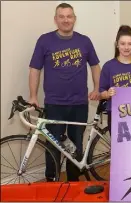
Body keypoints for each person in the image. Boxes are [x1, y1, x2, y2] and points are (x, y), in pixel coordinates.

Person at [28, 3, 101, 182]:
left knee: (76, 145)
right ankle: (51, 181)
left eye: (69, 16)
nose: (66, 20)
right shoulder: (44, 40)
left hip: (79, 104)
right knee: (53, 145)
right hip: (54, 103)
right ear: (56, 19)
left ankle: (73, 182)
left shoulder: (84, 41)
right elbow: (34, 69)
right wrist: (33, 96)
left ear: (74, 19)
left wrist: (97, 88)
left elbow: (95, 66)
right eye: (62, 16)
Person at [99, 25, 131, 133]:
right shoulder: (108, 66)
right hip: (115, 114)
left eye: (130, 44)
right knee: (117, 149)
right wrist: (108, 94)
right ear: (117, 45)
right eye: (123, 44)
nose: (126, 47)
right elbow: (101, 93)